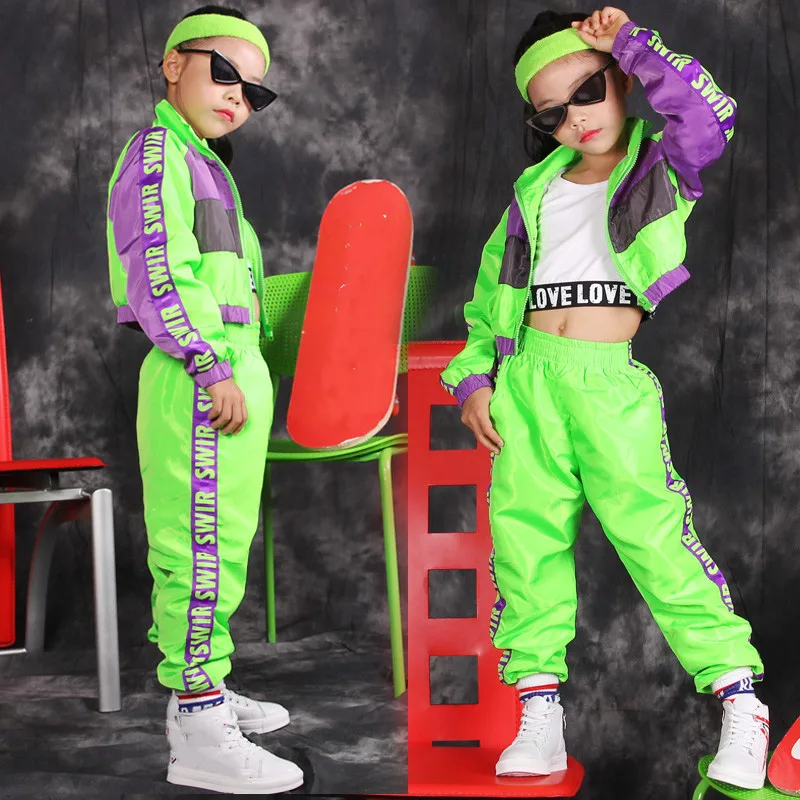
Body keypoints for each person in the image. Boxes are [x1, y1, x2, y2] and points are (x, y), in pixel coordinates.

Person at [440, 7, 770, 790]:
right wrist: (477, 379)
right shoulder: (532, 193)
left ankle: (739, 701)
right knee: (524, 546)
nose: (575, 119)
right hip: (527, 384)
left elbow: (710, 114)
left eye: (587, 92)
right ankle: (540, 714)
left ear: (620, 80)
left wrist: (630, 43)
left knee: (654, 538)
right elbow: (491, 299)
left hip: (607, 382)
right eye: (551, 113)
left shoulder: (662, 166)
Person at [106, 5, 303, 794]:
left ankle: (207, 687)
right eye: (224, 74)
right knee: (196, 545)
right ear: (173, 65)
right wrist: (209, 363)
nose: (237, 98)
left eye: (254, 92)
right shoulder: (159, 153)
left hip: (229, 370)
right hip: (198, 375)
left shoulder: (206, 164)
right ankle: (197, 724)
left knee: (223, 543)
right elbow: (160, 267)